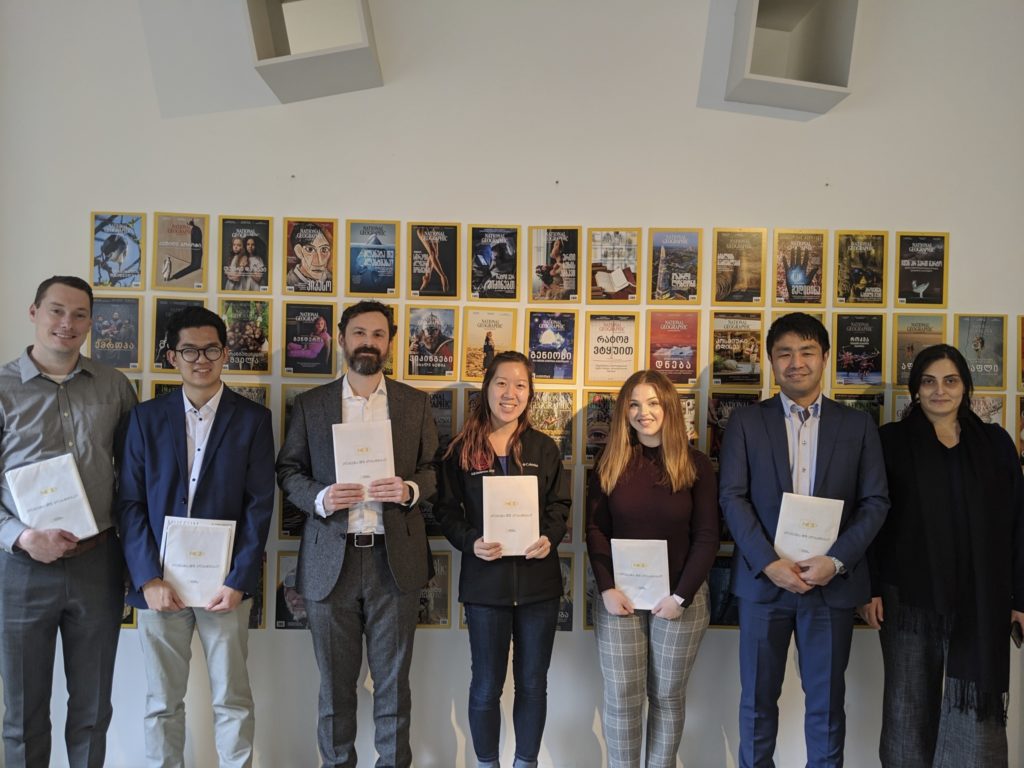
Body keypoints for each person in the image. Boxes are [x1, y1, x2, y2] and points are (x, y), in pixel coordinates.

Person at [718, 311, 889, 768]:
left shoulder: (857, 427)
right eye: (785, 353)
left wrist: (836, 561)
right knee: (756, 705)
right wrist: (768, 562)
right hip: (763, 586)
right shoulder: (747, 423)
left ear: (826, 358)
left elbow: (875, 503)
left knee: (827, 708)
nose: (796, 362)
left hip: (830, 588)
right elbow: (732, 498)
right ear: (772, 362)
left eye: (807, 351)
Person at [276, 300, 438, 767]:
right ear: (343, 338)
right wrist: (323, 498)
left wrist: (408, 489)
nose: (369, 342)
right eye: (360, 333)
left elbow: (432, 472)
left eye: (379, 334)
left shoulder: (413, 403)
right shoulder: (311, 404)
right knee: (334, 688)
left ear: (390, 342)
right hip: (332, 560)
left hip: (395, 562)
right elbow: (288, 471)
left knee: (393, 686)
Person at [117, 306, 275, 768]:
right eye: (189, 349)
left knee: (232, 699)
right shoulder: (145, 419)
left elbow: (259, 506)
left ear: (226, 353)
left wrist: (238, 579)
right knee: (162, 703)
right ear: (172, 357)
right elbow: (129, 502)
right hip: (158, 587)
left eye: (210, 349)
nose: (200, 359)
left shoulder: (253, 420)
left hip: (225, 588)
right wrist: (148, 578)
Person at [860, 344, 1024, 767]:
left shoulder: (996, 444)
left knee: (972, 704)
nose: (939, 391)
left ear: (965, 386)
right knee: (908, 703)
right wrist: (870, 588)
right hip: (908, 598)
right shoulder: (889, 442)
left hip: (982, 599)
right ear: (915, 389)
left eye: (950, 380)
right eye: (928, 381)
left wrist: (1020, 599)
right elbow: (871, 521)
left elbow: (1018, 522)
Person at [0, 275, 137, 767]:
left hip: (96, 564)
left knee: (93, 708)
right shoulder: (2, 389)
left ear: (91, 323)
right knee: (22, 713)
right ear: (33, 312)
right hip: (20, 570)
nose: (67, 323)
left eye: (79, 314)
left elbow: (133, 479)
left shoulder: (115, 386)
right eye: (56, 310)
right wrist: (20, 536)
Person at [437, 351, 571, 768]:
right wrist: (469, 540)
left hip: (539, 588)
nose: (510, 393)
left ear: (529, 394)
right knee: (486, 686)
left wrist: (549, 537)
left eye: (520, 385)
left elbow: (560, 505)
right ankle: (487, 763)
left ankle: (526, 762)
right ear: (487, 387)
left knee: (533, 685)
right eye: (501, 383)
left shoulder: (543, 448)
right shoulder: (460, 449)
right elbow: (445, 511)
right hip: (485, 587)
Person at [585, 369, 718, 768]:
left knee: (666, 695)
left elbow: (708, 535)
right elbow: (595, 529)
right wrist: (606, 587)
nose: (644, 412)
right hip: (619, 598)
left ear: (670, 407)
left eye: (654, 403)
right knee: (623, 693)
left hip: (680, 600)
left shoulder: (695, 464)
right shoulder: (611, 463)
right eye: (635, 404)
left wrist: (681, 596)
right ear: (625, 411)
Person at [286, 222, 333, 292]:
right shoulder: (288, 282)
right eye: (310, 249)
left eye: (324, 249)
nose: (319, 261)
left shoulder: (331, 279)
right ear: (298, 251)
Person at [415, 226, 450, 294]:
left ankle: (427, 277)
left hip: (432, 228)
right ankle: (442, 276)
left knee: (435, 254)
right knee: (432, 253)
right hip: (424, 227)